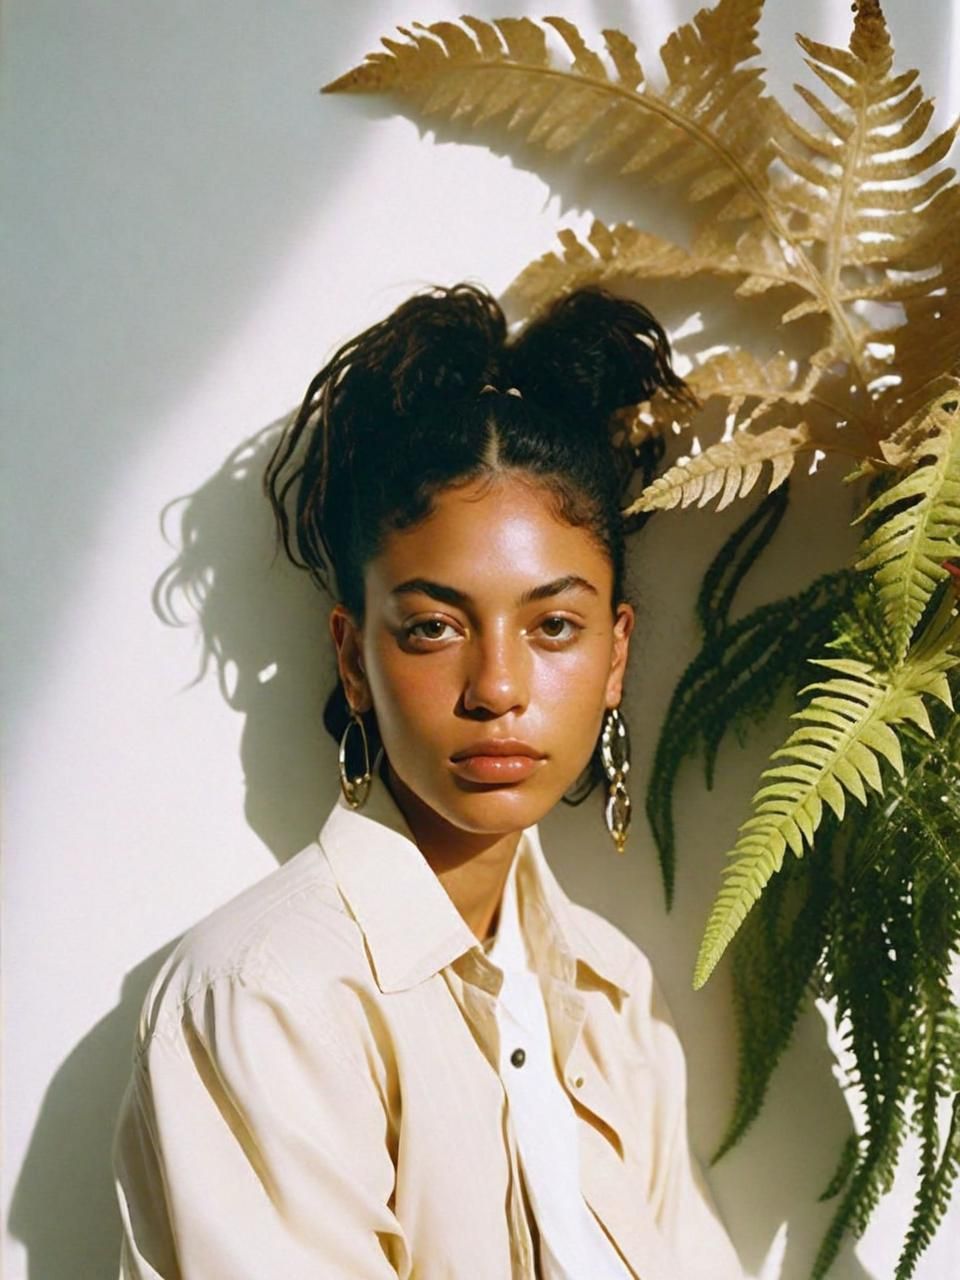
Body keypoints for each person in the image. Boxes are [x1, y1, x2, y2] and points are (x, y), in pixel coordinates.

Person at [111, 284, 745, 1279]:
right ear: (355, 656)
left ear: (616, 654)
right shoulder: (269, 997)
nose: (497, 687)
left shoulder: (613, 991)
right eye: (435, 625)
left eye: (554, 625)